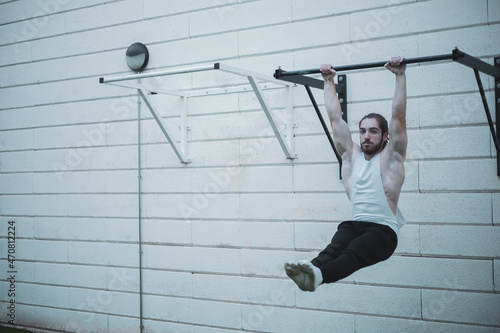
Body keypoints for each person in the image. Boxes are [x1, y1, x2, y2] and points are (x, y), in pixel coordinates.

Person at [285, 56, 408, 292]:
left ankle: (319, 277)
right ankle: (310, 271)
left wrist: (400, 76)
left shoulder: (391, 159)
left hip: (383, 233)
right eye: (362, 131)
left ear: (385, 136)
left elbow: (398, 117)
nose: (366, 136)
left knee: (353, 251)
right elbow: (335, 118)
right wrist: (328, 81)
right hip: (356, 225)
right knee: (334, 247)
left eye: (373, 131)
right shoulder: (351, 157)